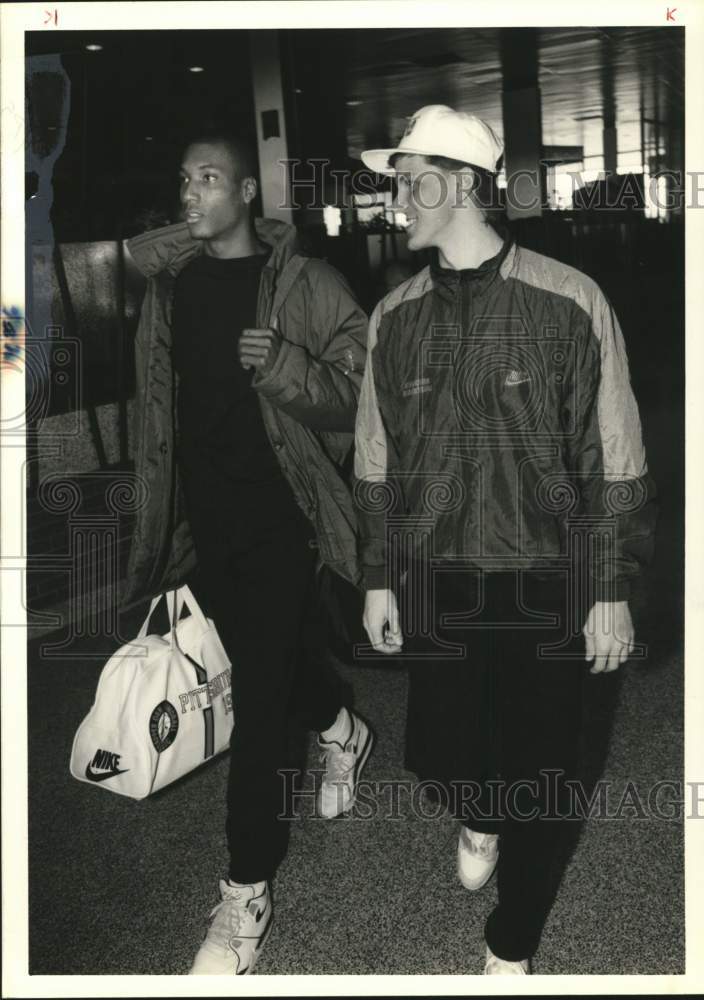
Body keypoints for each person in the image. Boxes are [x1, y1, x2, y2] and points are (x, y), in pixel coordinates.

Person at [355, 105, 657, 974]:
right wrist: (379, 577)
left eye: (409, 182)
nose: (396, 201)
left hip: (550, 576)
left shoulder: (569, 300)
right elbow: (375, 460)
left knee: (551, 771)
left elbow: (616, 454)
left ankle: (512, 940)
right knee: (455, 755)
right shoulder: (394, 317)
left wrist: (609, 588)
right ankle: (479, 806)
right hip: (440, 575)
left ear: (456, 185)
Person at [123, 132, 373, 975]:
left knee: (258, 709)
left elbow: (358, 394)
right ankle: (343, 729)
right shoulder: (174, 285)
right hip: (205, 525)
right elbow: (164, 404)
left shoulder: (306, 284)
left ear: (245, 193)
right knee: (274, 663)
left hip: (281, 520)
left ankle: (243, 894)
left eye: (207, 179)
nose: (189, 194)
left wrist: (288, 367)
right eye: (182, 179)